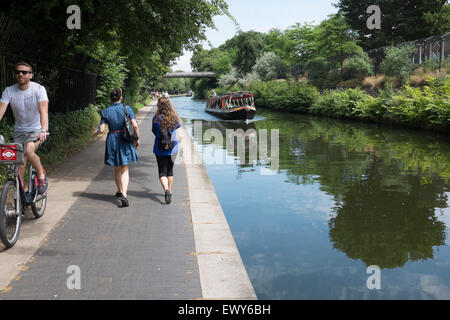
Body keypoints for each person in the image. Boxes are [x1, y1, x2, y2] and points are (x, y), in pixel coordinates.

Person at [0, 62, 49, 194]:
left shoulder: (38, 89)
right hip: (19, 131)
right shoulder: (9, 91)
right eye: (17, 72)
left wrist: (44, 129)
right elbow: (1, 111)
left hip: (36, 130)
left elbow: (43, 111)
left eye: (24, 72)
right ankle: (19, 201)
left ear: (31, 75)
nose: (20, 74)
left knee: (28, 150)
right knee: (18, 168)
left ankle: (41, 175)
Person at [93, 89, 140, 207]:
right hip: (125, 139)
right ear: (121, 97)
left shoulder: (105, 112)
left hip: (112, 139)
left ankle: (119, 191)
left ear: (110, 98)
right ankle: (124, 194)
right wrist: (137, 138)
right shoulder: (127, 109)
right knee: (124, 168)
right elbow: (134, 125)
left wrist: (96, 132)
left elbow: (102, 130)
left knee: (116, 167)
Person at [152, 97, 181, 204]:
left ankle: (166, 190)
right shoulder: (174, 118)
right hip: (173, 148)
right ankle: (170, 190)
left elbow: (154, 131)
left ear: (159, 106)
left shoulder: (156, 118)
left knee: (162, 171)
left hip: (159, 148)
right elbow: (178, 126)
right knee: (170, 171)